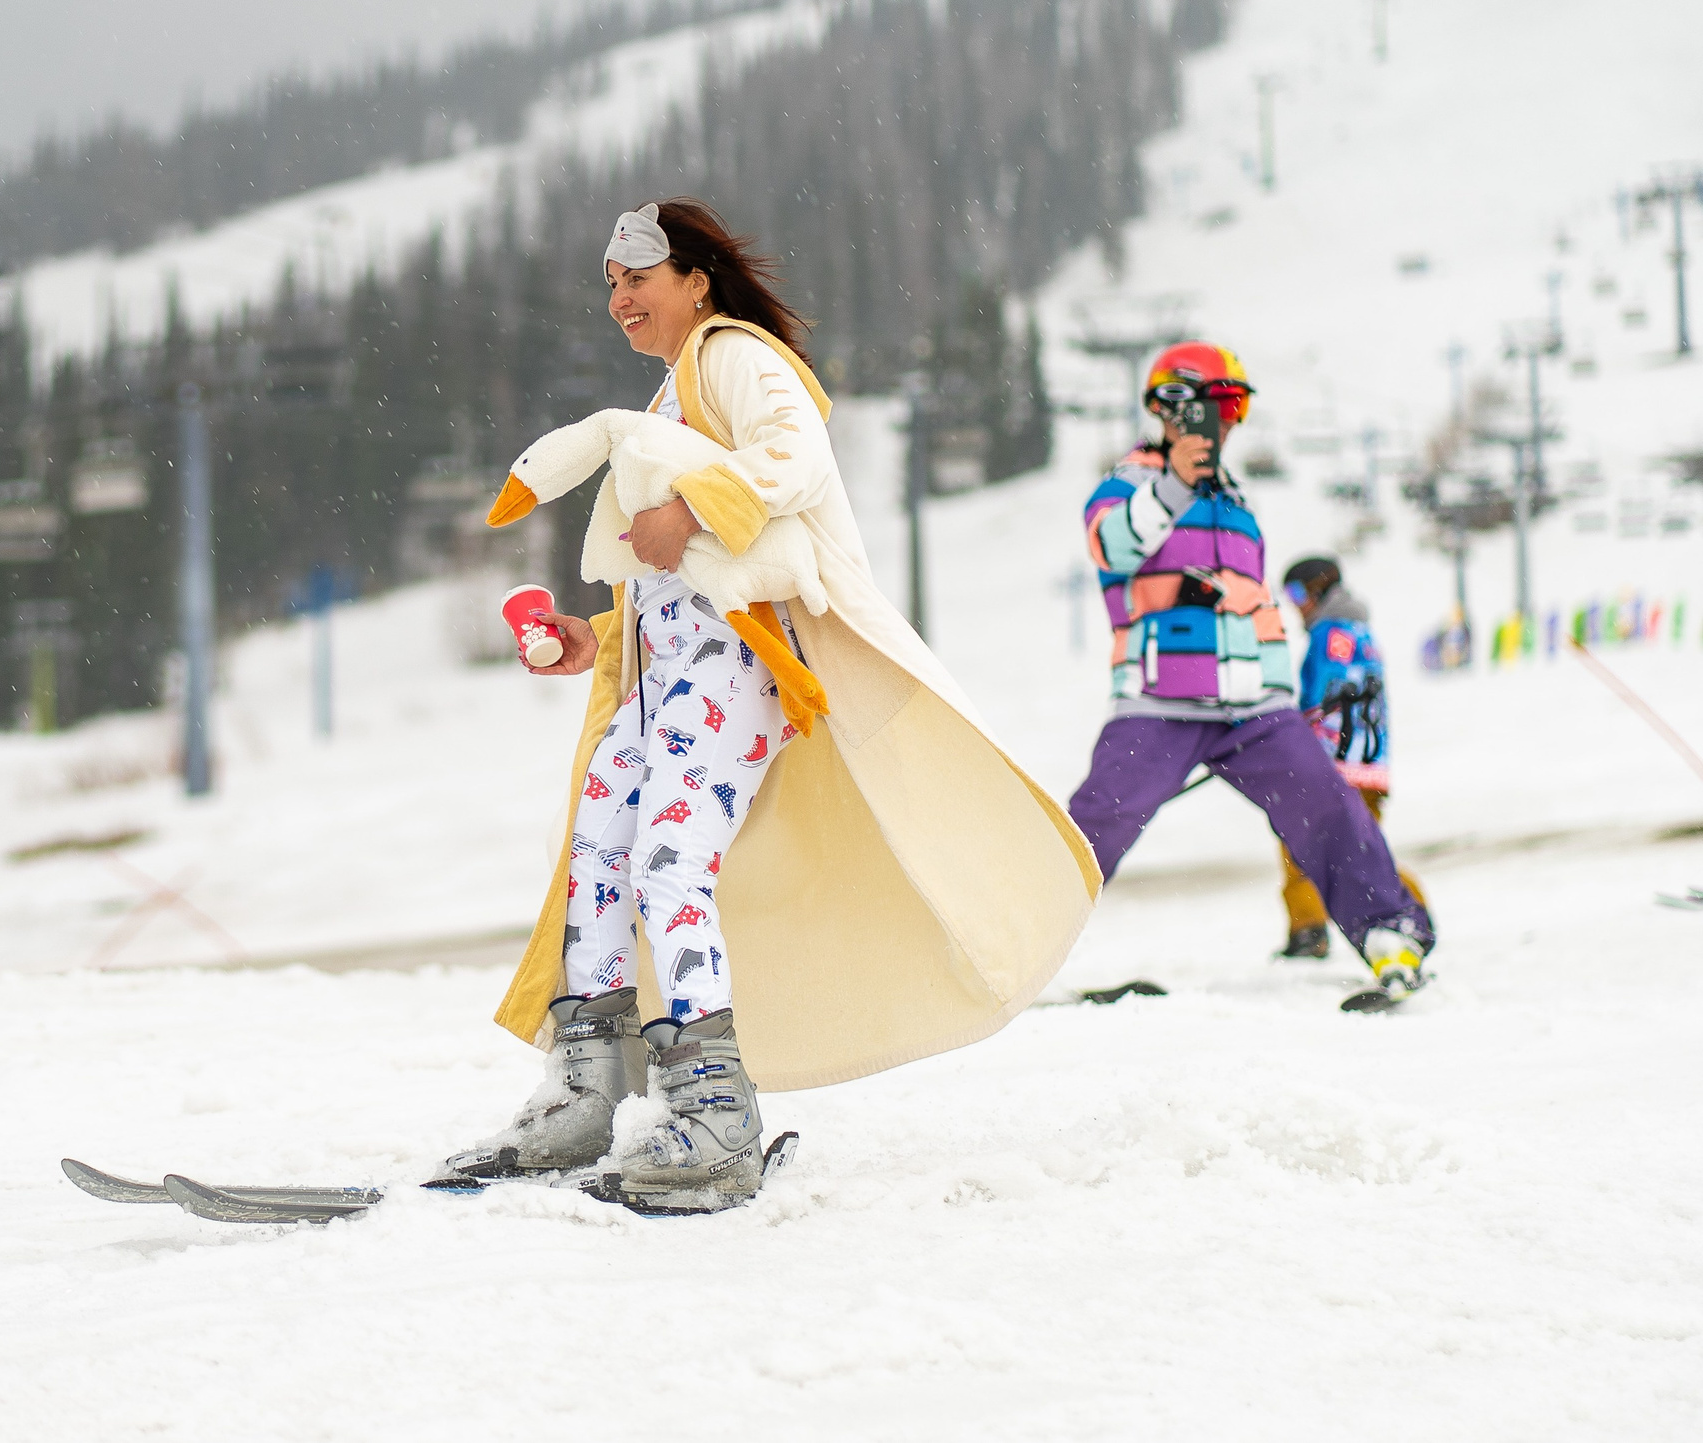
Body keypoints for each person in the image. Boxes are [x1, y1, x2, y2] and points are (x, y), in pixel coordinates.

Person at [450, 199, 1099, 1211]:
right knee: (593, 857)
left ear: (696, 281)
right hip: (665, 680)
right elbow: (677, 582)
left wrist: (680, 508)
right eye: (610, 284)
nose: (619, 299)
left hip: (734, 683)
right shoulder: (671, 399)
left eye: (638, 278)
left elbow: (791, 458)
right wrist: (596, 638)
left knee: (668, 864)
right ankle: (586, 1088)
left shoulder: (734, 358)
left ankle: (715, 1116)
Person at [1065, 343, 1435, 1003]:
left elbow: (1249, 603)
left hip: (1255, 709)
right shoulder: (1130, 482)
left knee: (1328, 806)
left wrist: (1284, 695)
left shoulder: (1237, 503)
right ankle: (1003, 950)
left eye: (1239, 405)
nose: (1231, 421)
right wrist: (1174, 481)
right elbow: (1112, 545)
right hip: (1159, 699)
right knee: (1101, 818)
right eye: (1223, 403)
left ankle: (1390, 933)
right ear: (1173, 407)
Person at [1272, 556, 1429, 958]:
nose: (1294, 604)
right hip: (1370, 765)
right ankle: (1412, 912)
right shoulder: (1363, 633)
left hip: (1335, 764)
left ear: (1318, 588)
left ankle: (1308, 930)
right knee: (1362, 847)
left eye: (1296, 593)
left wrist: (1292, 738)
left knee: (1300, 842)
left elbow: (1323, 701)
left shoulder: (1330, 635)